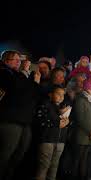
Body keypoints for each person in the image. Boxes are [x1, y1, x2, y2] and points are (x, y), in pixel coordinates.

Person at [0, 50, 40, 180]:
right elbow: (17, 89)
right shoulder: (4, 72)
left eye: (19, 59)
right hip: (11, 120)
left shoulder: (18, 75)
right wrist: (24, 72)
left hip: (24, 120)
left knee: (19, 154)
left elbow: (31, 94)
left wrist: (34, 83)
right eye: (15, 60)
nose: (19, 62)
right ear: (6, 61)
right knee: (5, 154)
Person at [34, 85, 70, 180]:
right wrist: (57, 122)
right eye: (58, 94)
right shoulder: (45, 104)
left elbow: (63, 123)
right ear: (50, 94)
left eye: (63, 95)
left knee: (54, 168)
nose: (61, 97)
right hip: (47, 140)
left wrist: (66, 122)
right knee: (43, 168)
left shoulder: (62, 108)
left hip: (59, 141)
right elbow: (40, 121)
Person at [71, 78, 91, 180]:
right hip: (82, 135)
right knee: (77, 159)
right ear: (86, 88)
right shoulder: (80, 99)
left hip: (90, 136)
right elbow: (80, 118)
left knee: (84, 159)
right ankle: (74, 176)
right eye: (90, 88)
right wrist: (90, 130)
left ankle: (82, 176)